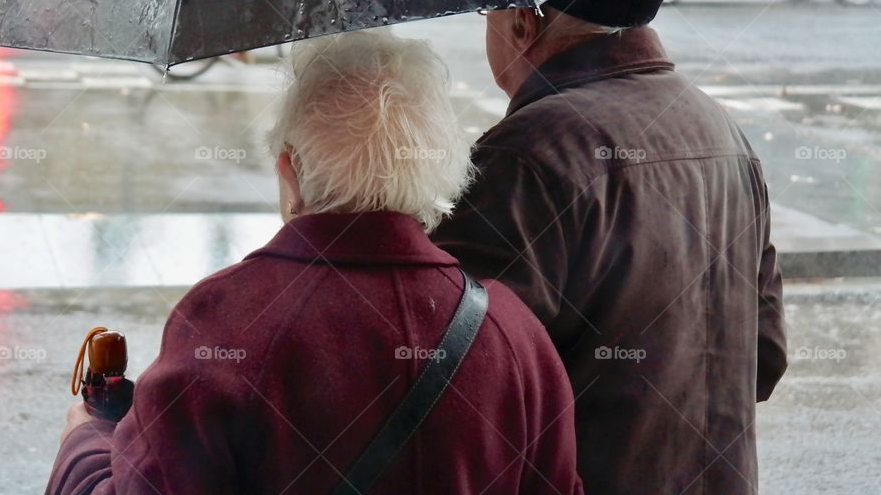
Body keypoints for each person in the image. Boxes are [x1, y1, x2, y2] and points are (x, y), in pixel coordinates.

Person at [46, 29, 584, 495]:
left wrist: (85, 443)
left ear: (291, 168)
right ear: (442, 166)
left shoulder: (224, 319)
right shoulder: (513, 336)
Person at [432, 0, 788, 495]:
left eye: (491, 15)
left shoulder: (528, 153)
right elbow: (765, 356)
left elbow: (456, 382)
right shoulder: (723, 133)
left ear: (524, 22)